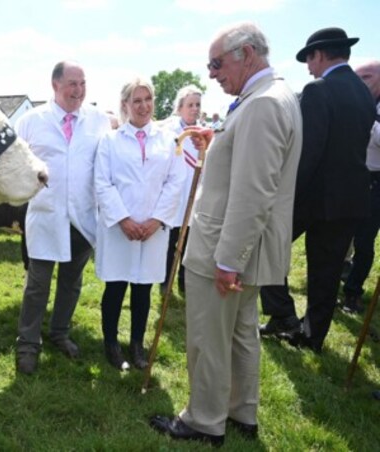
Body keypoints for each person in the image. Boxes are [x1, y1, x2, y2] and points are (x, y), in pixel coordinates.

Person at [150, 22, 302, 445]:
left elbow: (253, 191)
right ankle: (241, 412)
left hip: (226, 246)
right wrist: (217, 143)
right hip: (241, 246)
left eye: (217, 64)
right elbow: (249, 165)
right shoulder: (269, 97)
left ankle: (203, 420)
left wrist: (227, 260)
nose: (212, 73)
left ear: (247, 54)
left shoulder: (262, 105)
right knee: (240, 334)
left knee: (208, 337)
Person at [259, 28, 376, 353]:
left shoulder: (319, 89)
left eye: (309, 59)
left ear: (321, 54)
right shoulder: (363, 92)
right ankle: (312, 336)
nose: (308, 67)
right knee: (326, 273)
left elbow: (307, 152)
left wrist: (282, 196)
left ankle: (282, 314)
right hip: (351, 197)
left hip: (313, 195)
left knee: (265, 245)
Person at [14, 61, 109, 374]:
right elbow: (13, 163)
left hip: (82, 216)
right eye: (72, 83)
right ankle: (28, 344)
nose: (78, 90)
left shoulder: (97, 121)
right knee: (37, 284)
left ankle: (60, 332)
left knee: (71, 282)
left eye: (82, 83)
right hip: (46, 215)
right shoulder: (31, 121)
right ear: (54, 85)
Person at [94, 78, 184, 370]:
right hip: (121, 226)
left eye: (148, 99)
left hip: (153, 229)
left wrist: (157, 219)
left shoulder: (167, 139)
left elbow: (175, 181)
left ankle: (136, 344)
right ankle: (111, 342)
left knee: (143, 288)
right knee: (116, 285)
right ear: (125, 105)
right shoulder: (110, 140)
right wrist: (123, 219)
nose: (144, 106)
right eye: (136, 101)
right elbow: (102, 183)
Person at [341, 60, 380, 314]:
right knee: (338, 234)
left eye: (365, 77)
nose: (360, 83)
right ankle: (334, 277)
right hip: (349, 178)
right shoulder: (354, 102)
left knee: (365, 241)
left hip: (374, 182)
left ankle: (353, 292)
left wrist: (369, 120)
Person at [161, 85, 204, 296]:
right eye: (190, 105)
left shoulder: (205, 133)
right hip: (175, 197)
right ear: (180, 108)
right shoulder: (169, 133)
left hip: (195, 196)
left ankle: (184, 282)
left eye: (197, 104)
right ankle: (165, 282)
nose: (194, 109)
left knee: (190, 244)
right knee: (170, 241)